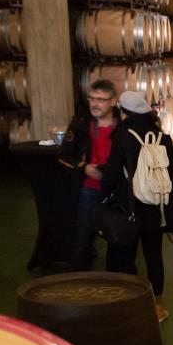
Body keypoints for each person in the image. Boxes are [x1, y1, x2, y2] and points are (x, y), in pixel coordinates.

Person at [101, 90, 173, 321]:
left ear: (124, 113)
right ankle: (158, 307)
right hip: (155, 209)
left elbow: (112, 174)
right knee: (154, 256)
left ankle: (127, 304)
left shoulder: (123, 137)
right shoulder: (162, 137)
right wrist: (169, 203)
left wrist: (105, 196)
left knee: (125, 257)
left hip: (130, 210)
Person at [59, 79, 119, 270]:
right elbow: (64, 154)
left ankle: (116, 284)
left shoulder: (123, 123)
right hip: (90, 190)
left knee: (118, 240)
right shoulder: (81, 122)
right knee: (82, 240)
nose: (95, 103)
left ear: (113, 101)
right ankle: (79, 282)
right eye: (92, 98)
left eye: (101, 99)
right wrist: (84, 167)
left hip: (117, 190)